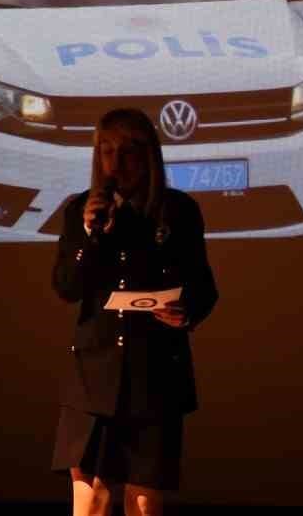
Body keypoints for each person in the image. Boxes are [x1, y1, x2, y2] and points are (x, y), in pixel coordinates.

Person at [51, 108, 218, 516]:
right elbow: (67, 287)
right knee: (89, 494)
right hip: (94, 372)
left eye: (126, 151)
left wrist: (186, 311)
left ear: (148, 156)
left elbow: (204, 287)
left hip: (155, 369)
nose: (114, 162)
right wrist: (90, 236)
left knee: (142, 499)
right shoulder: (80, 212)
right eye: (105, 150)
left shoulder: (178, 211)